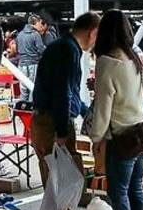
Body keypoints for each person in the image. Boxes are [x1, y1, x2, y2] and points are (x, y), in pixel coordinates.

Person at [88, 10, 143, 210]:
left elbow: (103, 108)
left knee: (119, 191)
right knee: (135, 187)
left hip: (122, 137)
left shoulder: (107, 62)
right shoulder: (134, 58)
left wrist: (96, 138)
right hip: (142, 133)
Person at [31, 11, 100, 192]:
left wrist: (85, 110)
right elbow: (63, 92)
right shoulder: (68, 50)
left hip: (48, 118)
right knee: (59, 180)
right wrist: (62, 131)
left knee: (61, 177)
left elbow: (69, 92)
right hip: (52, 122)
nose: (95, 43)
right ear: (92, 33)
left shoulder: (64, 46)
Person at [16, 15, 47, 102]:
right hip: (33, 64)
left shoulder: (20, 34)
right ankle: (31, 111)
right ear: (34, 23)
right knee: (33, 89)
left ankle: (22, 110)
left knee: (23, 91)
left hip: (21, 65)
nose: (41, 25)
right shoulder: (35, 34)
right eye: (39, 23)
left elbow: (18, 49)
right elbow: (41, 50)